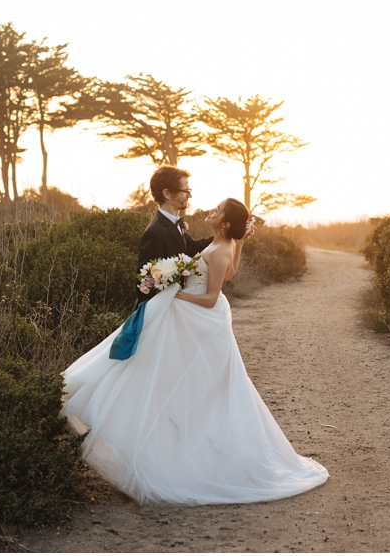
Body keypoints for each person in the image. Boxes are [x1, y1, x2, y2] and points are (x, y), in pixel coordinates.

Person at [61, 198, 328, 505]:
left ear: (225, 224)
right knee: (184, 383)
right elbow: (231, 274)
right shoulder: (222, 245)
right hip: (202, 319)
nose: (210, 211)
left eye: (218, 211)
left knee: (187, 384)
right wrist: (238, 244)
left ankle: (182, 451)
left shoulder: (218, 249)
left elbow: (213, 297)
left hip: (202, 318)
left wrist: (177, 295)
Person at [136, 166, 214, 293]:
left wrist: (227, 235)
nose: (190, 195)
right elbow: (144, 283)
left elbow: (192, 248)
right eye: (185, 191)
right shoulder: (154, 233)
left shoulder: (175, 223)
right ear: (167, 194)